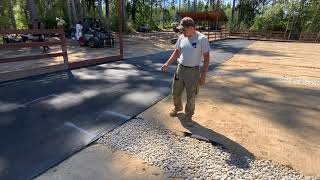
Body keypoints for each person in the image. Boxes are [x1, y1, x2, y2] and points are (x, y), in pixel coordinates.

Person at [161, 17, 210, 126]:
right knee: (175, 92)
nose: (181, 32)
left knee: (191, 96)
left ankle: (188, 116)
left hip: (193, 72)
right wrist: (167, 63)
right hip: (180, 69)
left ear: (191, 28)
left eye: (183, 30)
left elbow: (206, 59)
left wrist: (203, 76)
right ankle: (177, 108)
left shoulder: (202, 39)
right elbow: (177, 52)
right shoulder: (182, 37)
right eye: (181, 30)